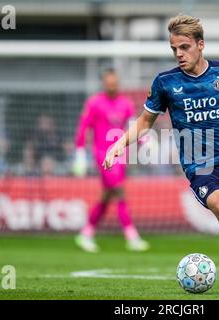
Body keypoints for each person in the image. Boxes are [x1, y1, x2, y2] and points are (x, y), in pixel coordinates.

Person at [103, 15, 219, 295]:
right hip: (200, 167)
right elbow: (144, 122)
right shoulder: (165, 82)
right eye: (174, 48)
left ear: (200, 45)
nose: (179, 53)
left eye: (184, 47)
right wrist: (119, 144)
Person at [73, 69, 150, 253]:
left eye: (114, 82)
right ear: (104, 83)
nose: (112, 85)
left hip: (120, 154)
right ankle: (131, 236)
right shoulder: (95, 103)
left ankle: (86, 233)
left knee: (107, 197)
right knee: (119, 191)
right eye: (109, 82)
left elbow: (134, 126)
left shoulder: (126, 103)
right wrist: (80, 153)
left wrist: (145, 142)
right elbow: (83, 128)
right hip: (102, 154)